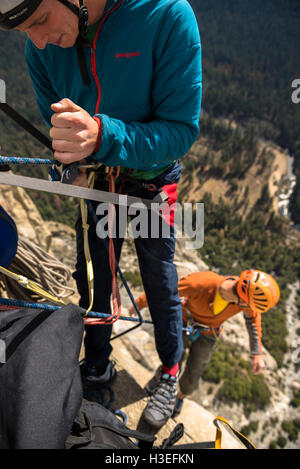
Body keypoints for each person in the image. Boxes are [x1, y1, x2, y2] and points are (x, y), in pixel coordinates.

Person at [0, 0, 202, 427]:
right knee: (92, 275)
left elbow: (179, 131)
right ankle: (96, 366)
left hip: (150, 179)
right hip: (96, 178)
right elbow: (56, 127)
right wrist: (70, 160)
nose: (37, 42)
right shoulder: (40, 47)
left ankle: (169, 371)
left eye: (39, 22)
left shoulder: (165, 14)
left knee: (158, 276)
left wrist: (102, 136)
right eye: (25, 33)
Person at [130, 269, 280, 416]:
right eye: (250, 306)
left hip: (209, 332)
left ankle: (180, 396)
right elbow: (167, 291)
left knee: (195, 370)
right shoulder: (202, 282)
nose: (251, 310)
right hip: (183, 320)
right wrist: (140, 303)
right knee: (175, 356)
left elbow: (254, 321)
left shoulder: (244, 299)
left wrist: (257, 353)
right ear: (243, 300)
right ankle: (157, 382)